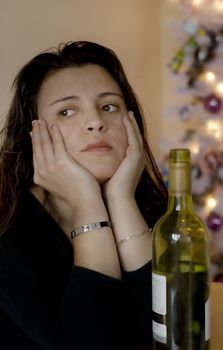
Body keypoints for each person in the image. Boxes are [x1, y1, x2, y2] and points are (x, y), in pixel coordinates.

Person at [0, 40, 167, 350]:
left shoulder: (160, 214)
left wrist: (121, 200)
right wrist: (88, 205)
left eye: (109, 106)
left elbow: (175, 338)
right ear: (32, 136)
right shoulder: (8, 234)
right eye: (67, 111)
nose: (96, 122)